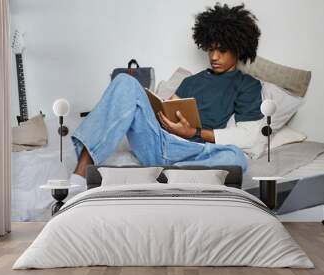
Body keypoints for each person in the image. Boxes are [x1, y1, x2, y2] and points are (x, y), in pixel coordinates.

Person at [70, 3, 263, 184]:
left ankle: (163, 176)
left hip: (193, 150)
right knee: (125, 81)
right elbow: (169, 109)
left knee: (236, 157)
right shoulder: (191, 81)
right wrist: (159, 113)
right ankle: (79, 175)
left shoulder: (247, 85)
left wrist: (194, 132)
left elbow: (249, 136)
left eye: (222, 50)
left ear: (238, 48)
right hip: (159, 142)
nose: (214, 56)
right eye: (210, 49)